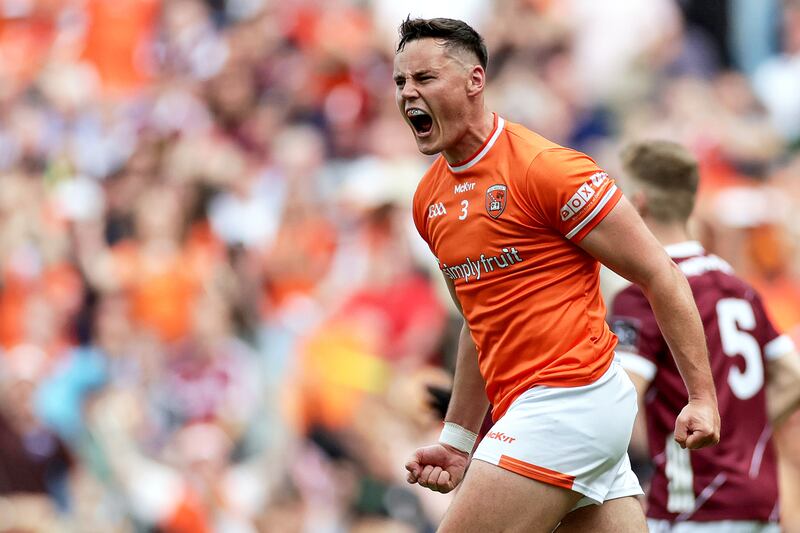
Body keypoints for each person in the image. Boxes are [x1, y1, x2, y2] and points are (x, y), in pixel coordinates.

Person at [394, 17, 720, 533]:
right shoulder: (427, 199)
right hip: (552, 414)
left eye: (425, 79)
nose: (408, 93)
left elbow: (661, 273)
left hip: (569, 399)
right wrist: (458, 440)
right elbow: (480, 324)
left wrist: (700, 396)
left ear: (475, 81)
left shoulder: (548, 169)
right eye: (400, 82)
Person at [609, 140, 800, 533]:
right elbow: (792, 376)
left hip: (693, 501)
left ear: (638, 202)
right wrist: (737, 434)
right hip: (759, 497)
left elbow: (623, 397)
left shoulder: (644, 291)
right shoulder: (737, 285)